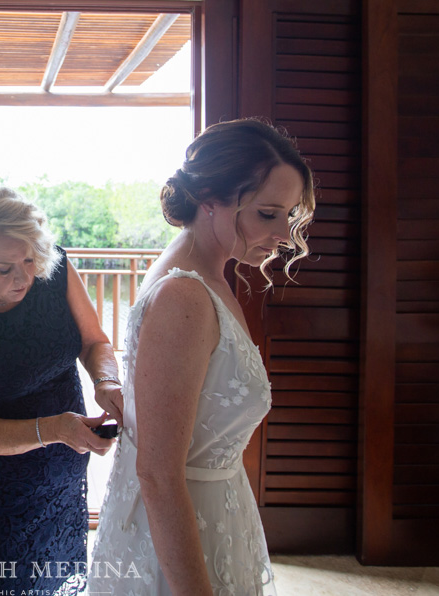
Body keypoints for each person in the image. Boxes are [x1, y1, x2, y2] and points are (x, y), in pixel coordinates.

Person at [90, 118, 316, 595]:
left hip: (215, 509)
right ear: (210, 198)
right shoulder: (184, 297)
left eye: (289, 216)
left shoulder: (204, 272)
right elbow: (157, 473)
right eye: (268, 214)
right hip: (184, 526)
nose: (284, 235)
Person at [0, 183, 124, 595]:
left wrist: (106, 381)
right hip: (0, 489)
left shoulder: (54, 269)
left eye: (30, 259)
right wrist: (56, 429)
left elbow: (93, 342)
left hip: (65, 470)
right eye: (4, 269)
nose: (24, 277)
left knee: (57, 580)